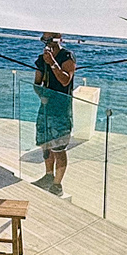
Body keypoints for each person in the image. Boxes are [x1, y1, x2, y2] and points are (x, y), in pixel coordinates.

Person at [33, 32, 77, 193]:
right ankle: (48, 175)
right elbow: (37, 83)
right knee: (45, 144)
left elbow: (65, 80)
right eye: (44, 40)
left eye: (50, 39)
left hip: (61, 110)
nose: (47, 43)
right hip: (46, 108)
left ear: (59, 39)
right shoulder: (41, 59)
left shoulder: (67, 57)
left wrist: (52, 62)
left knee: (59, 148)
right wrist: (42, 95)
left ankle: (57, 184)